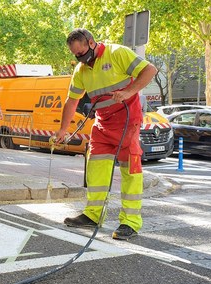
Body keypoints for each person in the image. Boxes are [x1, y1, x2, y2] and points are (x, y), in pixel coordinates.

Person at [54, 28, 157, 240]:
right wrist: (63, 130)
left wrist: (128, 92)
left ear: (92, 43)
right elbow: (72, 101)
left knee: (130, 170)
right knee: (96, 168)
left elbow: (150, 70)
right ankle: (93, 214)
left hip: (128, 120)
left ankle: (130, 222)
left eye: (83, 53)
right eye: (77, 56)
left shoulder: (117, 53)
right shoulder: (81, 71)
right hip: (102, 122)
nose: (81, 59)